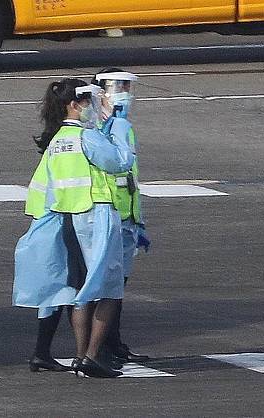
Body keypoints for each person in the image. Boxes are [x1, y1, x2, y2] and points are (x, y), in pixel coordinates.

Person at [13, 78, 135, 377]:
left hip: (69, 217)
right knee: (109, 288)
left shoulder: (56, 141)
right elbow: (121, 161)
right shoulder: (88, 137)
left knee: (80, 289)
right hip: (98, 214)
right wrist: (116, 123)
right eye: (91, 102)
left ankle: (80, 356)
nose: (96, 107)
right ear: (75, 105)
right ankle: (92, 357)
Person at [91, 68, 151, 363]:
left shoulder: (123, 125)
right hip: (107, 217)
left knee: (118, 288)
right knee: (107, 288)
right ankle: (100, 345)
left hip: (126, 217)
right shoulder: (97, 126)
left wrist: (138, 221)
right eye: (118, 87)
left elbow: (131, 179)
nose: (125, 92)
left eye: (127, 87)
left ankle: (113, 342)